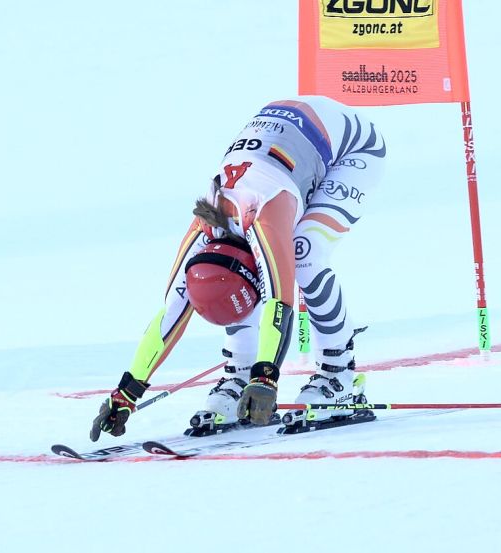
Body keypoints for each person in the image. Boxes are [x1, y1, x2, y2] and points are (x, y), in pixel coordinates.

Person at [90, 95, 386, 441]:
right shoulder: (202, 232)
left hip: (353, 148)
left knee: (304, 254)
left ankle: (340, 377)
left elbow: (280, 301)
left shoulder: (264, 217)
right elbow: (172, 311)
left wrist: (266, 379)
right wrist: (127, 390)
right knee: (241, 276)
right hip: (289, 132)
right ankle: (238, 373)